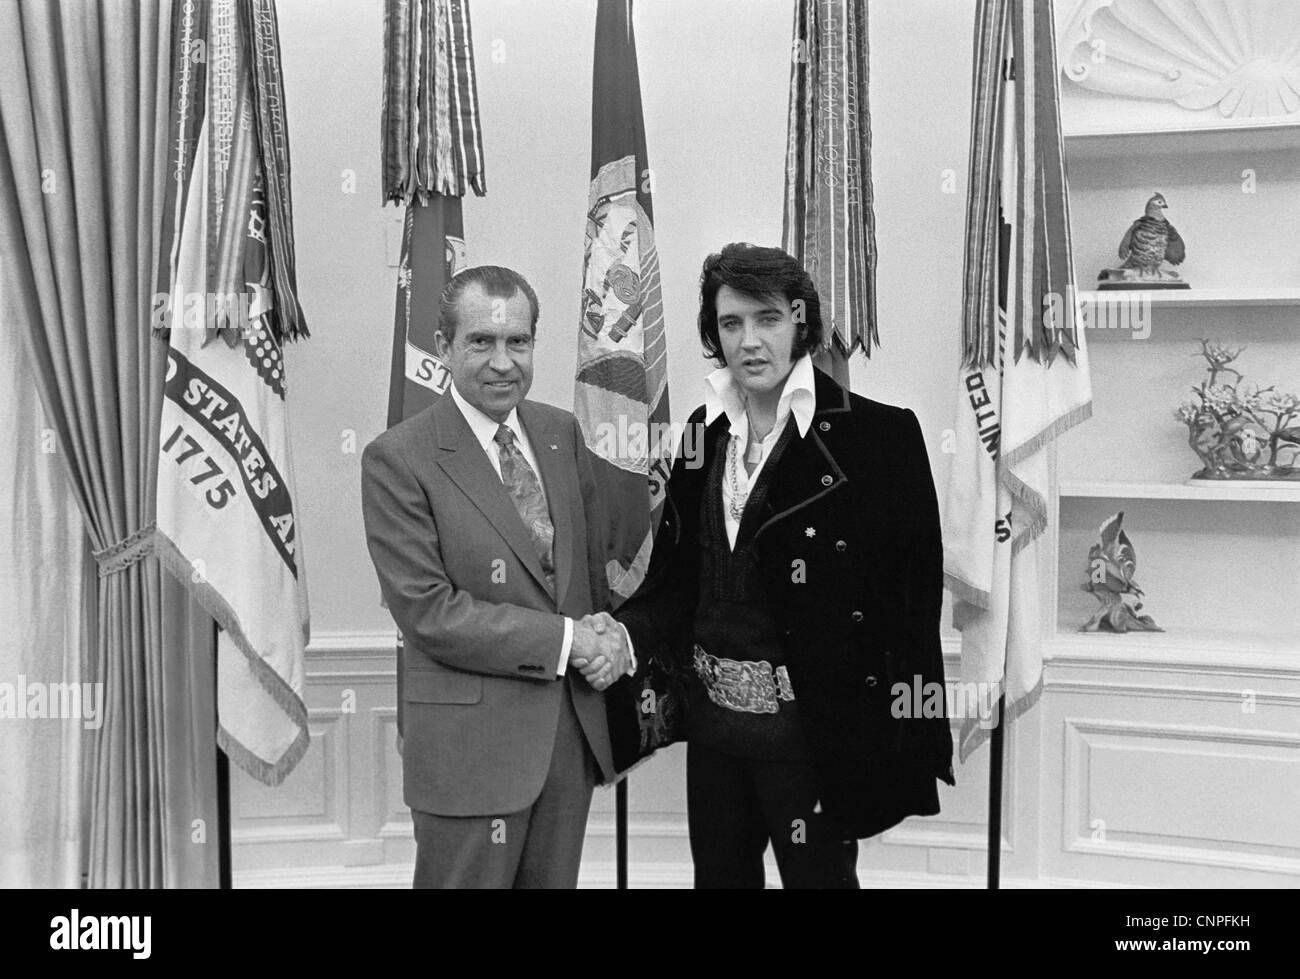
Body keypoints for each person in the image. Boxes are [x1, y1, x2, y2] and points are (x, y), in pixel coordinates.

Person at [609, 243, 955, 888]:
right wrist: (617, 631)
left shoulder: (880, 438)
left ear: (802, 321)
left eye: (768, 318)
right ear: (714, 334)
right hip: (714, 730)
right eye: (730, 324)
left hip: (815, 733)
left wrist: (904, 735)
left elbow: (910, 605)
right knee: (719, 881)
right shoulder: (699, 434)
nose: (750, 341)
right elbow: (675, 583)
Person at [361, 265, 632, 889]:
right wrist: (569, 642)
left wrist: (607, 632)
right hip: (468, 755)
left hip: (567, 743)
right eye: (481, 342)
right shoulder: (397, 458)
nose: (502, 362)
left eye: (518, 343)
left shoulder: (560, 431)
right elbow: (429, 611)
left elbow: (583, 577)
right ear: (444, 347)